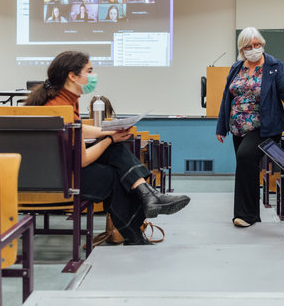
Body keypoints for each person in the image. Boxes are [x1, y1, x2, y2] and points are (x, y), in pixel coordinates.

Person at [24, 51, 190, 245]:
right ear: (72, 75)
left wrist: (106, 133)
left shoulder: (60, 100)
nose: (92, 76)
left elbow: (76, 128)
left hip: (46, 176)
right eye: (89, 71)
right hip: (61, 182)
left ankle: (147, 196)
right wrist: (109, 139)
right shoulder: (62, 106)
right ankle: (139, 221)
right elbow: (82, 160)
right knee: (116, 175)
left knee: (115, 152)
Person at [216, 27, 284, 228]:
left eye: (257, 45)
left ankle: (245, 214)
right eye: (249, 46)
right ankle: (251, 214)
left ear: (262, 44)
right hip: (238, 128)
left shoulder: (275, 66)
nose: (254, 49)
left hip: (264, 128)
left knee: (246, 157)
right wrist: (221, 127)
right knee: (246, 166)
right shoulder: (236, 68)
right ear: (241, 48)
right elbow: (227, 98)